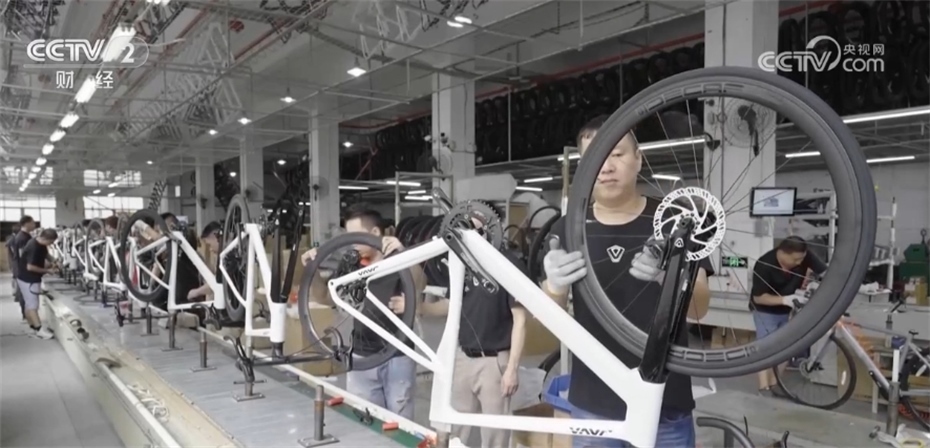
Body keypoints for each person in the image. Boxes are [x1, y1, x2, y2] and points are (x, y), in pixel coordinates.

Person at [542, 115, 713, 448]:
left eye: (617, 154)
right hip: (594, 401)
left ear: (638, 159)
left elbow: (701, 308)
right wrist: (554, 286)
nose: (606, 167)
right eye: (594, 158)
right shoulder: (567, 228)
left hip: (665, 398)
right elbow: (551, 317)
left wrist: (669, 277)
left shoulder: (675, 221)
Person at [301, 207, 419, 420]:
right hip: (361, 356)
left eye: (356, 235)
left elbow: (419, 284)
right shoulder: (351, 265)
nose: (352, 242)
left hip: (398, 356)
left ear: (374, 233)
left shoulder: (397, 260)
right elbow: (325, 297)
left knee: (401, 423)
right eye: (349, 236)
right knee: (365, 421)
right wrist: (314, 270)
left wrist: (405, 254)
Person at [749, 236, 827, 395]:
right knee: (765, 347)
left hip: (787, 310)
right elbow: (759, 298)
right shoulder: (764, 265)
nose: (800, 263)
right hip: (765, 310)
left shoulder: (803, 256)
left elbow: (827, 273)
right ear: (782, 253)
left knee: (787, 347)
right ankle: (763, 387)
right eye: (795, 259)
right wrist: (785, 299)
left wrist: (817, 283)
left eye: (802, 259)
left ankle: (775, 384)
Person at [16, 228, 59, 339]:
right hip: (28, 279)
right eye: (51, 242)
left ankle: (33, 328)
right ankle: (40, 331)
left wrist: (54, 260)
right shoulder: (34, 247)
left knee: (29, 304)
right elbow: (30, 267)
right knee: (32, 305)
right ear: (46, 239)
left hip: (25, 277)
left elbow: (45, 254)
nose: (51, 244)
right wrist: (47, 271)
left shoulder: (38, 242)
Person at [6, 217, 35, 320]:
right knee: (25, 293)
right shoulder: (22, 238)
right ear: (26, 223)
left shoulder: (25, 236)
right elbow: (23, 255)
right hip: (23, 269)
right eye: (32, 223)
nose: (34, 225)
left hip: (21, 268)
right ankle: (26, 315)